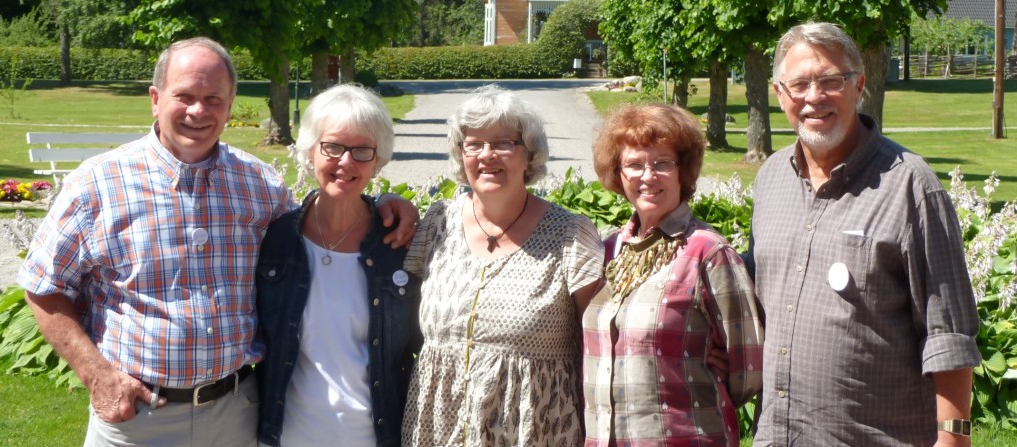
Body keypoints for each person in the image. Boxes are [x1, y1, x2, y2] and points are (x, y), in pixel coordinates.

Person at [17, 37, 415, 447]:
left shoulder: (259, 186)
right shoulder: (97, 184)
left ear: (230, 104)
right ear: (155, 99)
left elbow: (327, 214)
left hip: (237, 414)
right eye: (184, 96)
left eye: (213, 98)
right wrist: (97, 375)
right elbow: (43, 285)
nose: (198, 111)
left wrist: (384, 201)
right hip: (138, 419)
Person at [747, 22, 981, 446]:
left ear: (859, 85)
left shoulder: (911, 186)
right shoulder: (770, 180)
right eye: (799, 84)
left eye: (830, 80)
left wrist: (954, 439)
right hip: (781, 435)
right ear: (780, 94)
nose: (814, 97)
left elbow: (948, 331)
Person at [400, 85, 605, 446]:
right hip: (436, 430)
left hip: (535, 430)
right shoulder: (437, 223)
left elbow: (602, 344)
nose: (487, 155)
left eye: (504, 143)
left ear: (529, 155)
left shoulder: (570, 234)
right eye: (474, 144)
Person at [583, 103, 764, 446]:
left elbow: (748, 371)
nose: (647, 176)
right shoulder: (608, 250)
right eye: (634, 164)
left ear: (684, 170)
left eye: (662, 163)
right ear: (618, 174)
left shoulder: (708, 253)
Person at [255, 84, 421, 447]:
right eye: (333, 147)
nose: (346, 162)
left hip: (375, 436)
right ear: (310, 152)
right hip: (286, 436)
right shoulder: (276, 239)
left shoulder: (400, 245)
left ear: (377, 160)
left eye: (362, 150)